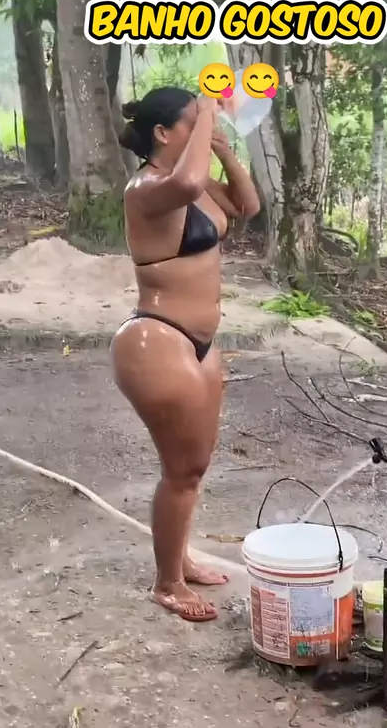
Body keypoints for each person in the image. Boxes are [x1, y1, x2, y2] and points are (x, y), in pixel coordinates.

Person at [111, 86, 260, 622]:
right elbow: (188, 183)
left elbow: (247, 205)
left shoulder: (190, 183)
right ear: (162, 132)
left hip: (200, 343)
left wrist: (220, 145)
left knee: (193, 466)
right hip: (157, 339)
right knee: (182, 470)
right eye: (192, 121)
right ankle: (167, 583)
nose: (204, 123)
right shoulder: (147, 189)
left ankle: (179, 558)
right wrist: (208, 107)